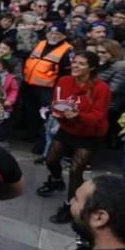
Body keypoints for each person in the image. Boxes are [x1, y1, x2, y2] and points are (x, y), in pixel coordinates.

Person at [38, 50, 111, 224]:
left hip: (90, 134)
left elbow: (98, 116)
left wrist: (78, 116)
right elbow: (56, 101)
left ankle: (70, 206)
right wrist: (56, 112)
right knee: (51, 160)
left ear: (91, 67)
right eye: (75, 62)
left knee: (75, 170)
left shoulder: (101, 88)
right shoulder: (64, 81)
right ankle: (56, 181)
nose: (75, 66)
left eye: (81, 64)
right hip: (67, 129)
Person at [22, 20, 73, 156]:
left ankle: (41, 145)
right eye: (51, 32)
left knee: (45, 118)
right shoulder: (41, 43)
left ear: (63, 35)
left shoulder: (68, 50)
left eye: (57, 33)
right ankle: (31, 137)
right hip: (29, 86)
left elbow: (66, 73)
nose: (53, 36)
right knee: (31, 114)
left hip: (48, 90)